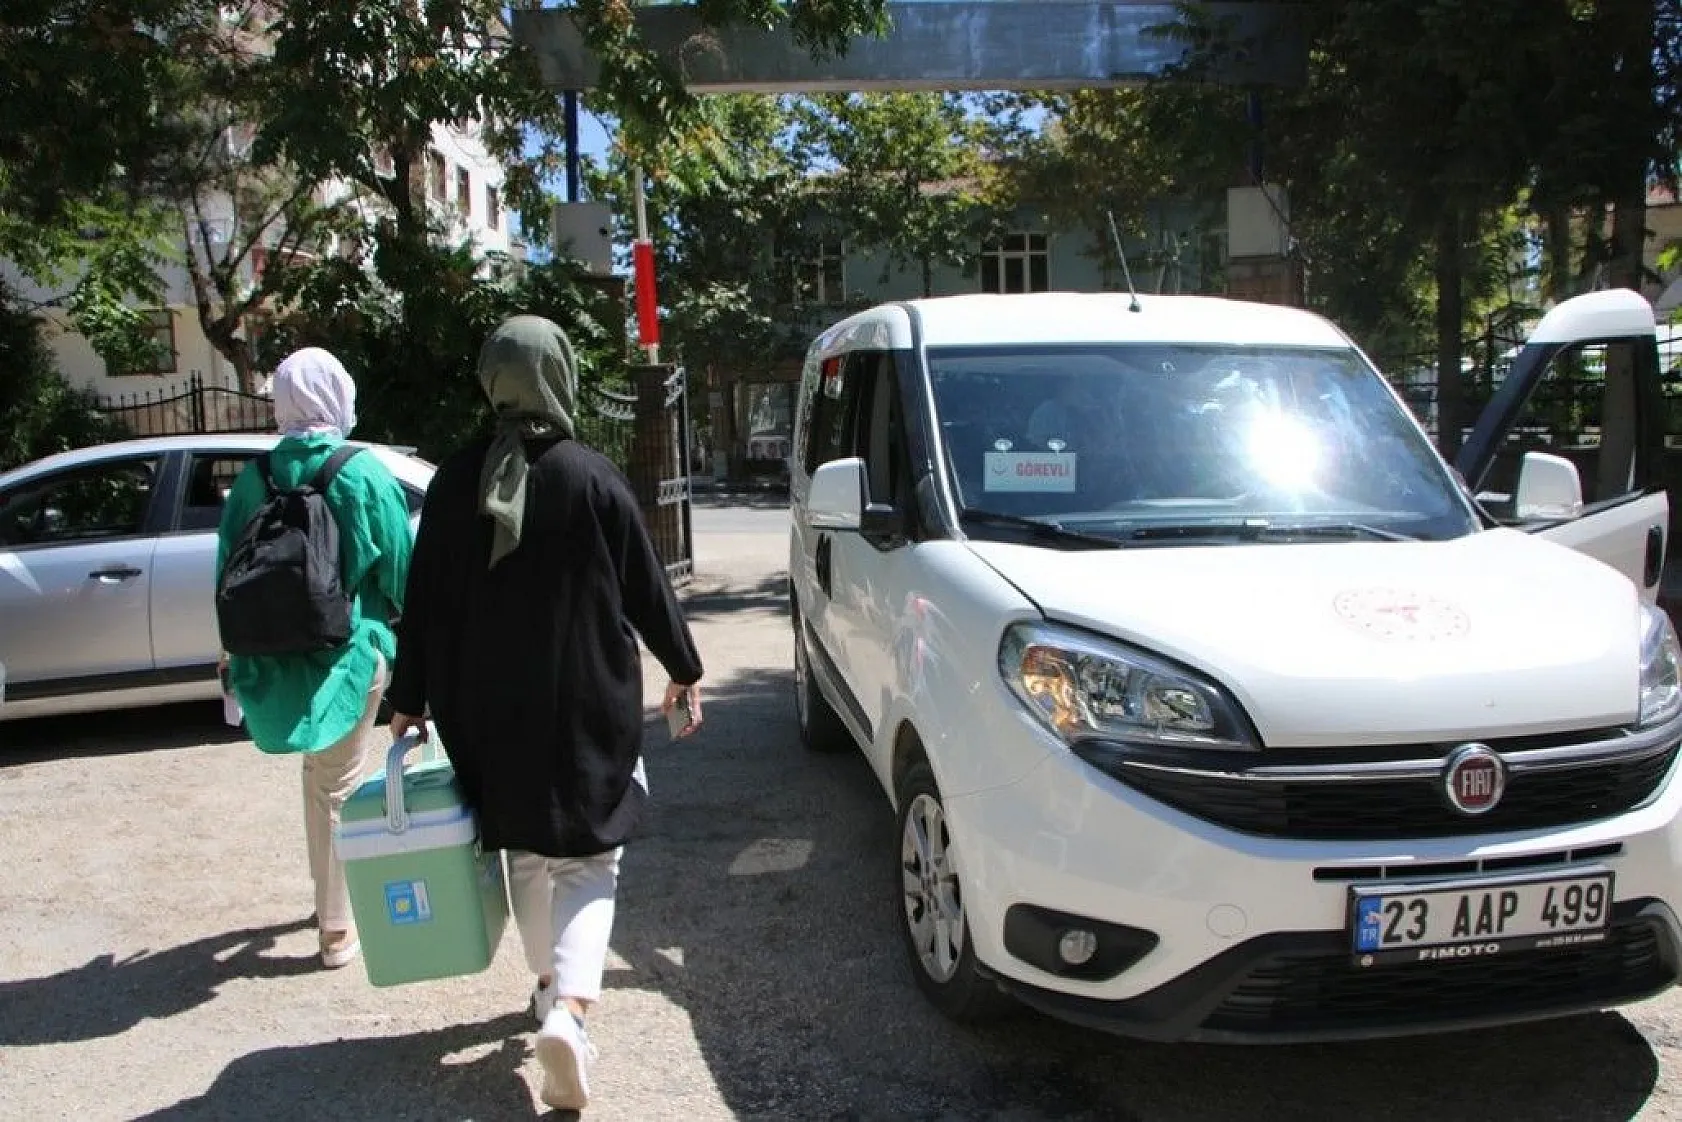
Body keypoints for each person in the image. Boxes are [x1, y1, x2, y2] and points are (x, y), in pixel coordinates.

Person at [386, 315, 704, 1114]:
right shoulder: (591, 476)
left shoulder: (453, 483)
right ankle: (570, 1009)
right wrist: (684, 670)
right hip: (585, 699)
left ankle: (544, 986)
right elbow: (648, 586)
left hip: (482, 706)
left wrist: (407, 698)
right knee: (590, 859)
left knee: (524, 848)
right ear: (558, 374)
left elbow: (423, 602)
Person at [215, 347, 414, 970]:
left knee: (317, 775)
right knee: (337, 785)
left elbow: (225, 569)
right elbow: (402, 569)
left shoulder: (254, 479)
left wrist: (228, 655)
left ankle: (325, 899)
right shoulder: (362, 472)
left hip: (274, 656)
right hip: (348, 655)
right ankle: (335, 929)